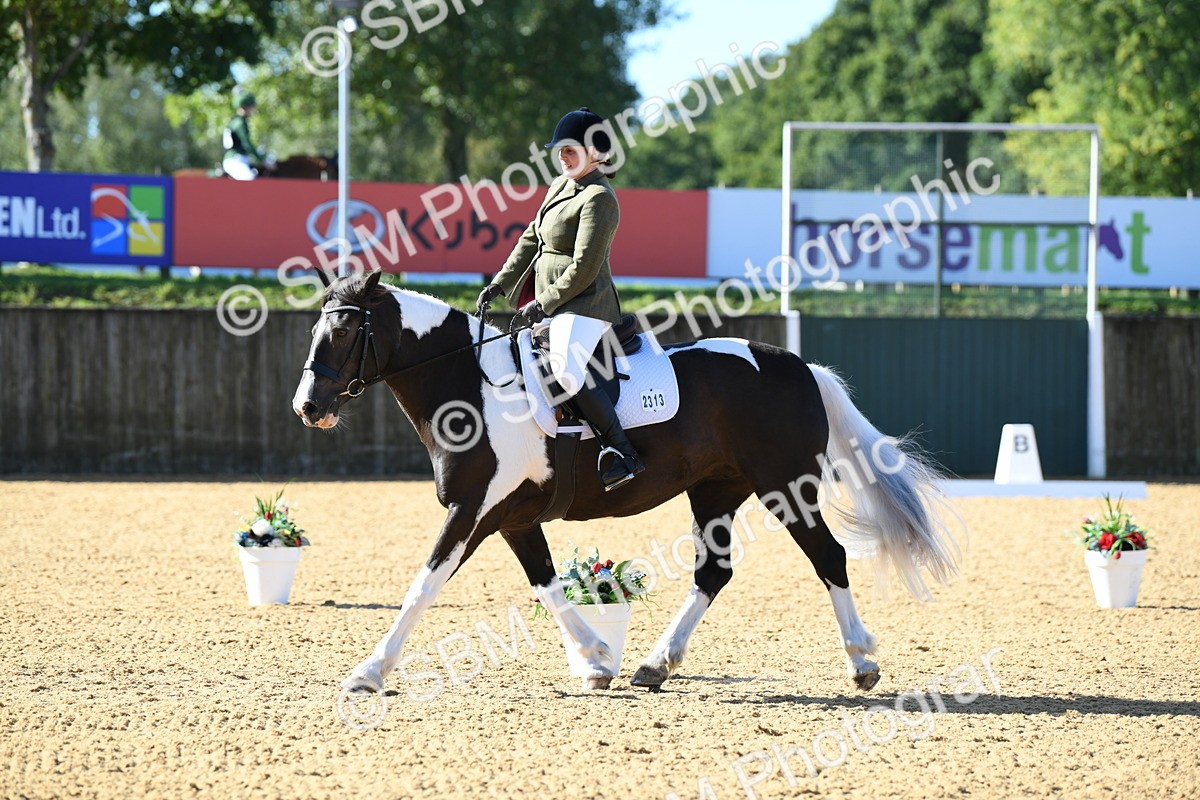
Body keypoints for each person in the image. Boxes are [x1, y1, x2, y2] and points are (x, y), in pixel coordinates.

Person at [478, 107, 644, 491]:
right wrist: (500, 283)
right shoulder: (560, 186)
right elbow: (530, 238)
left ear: (595, 152)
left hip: (586, 305)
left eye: (570, 150)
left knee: (566, 366)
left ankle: (622, 451)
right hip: (554, 303)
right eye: (560, 150)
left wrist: (541, 304)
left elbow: (585, 268)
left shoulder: (601, 198)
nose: (562, 156)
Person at [222, 90, 269, 180]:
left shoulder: (238, 121)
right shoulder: (239, 123)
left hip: (242, 159)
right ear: (245, 107)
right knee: (249, 180)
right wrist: (262, 161)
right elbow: (247, 144)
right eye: (252, 107)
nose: (253, 110)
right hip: (236, 160)